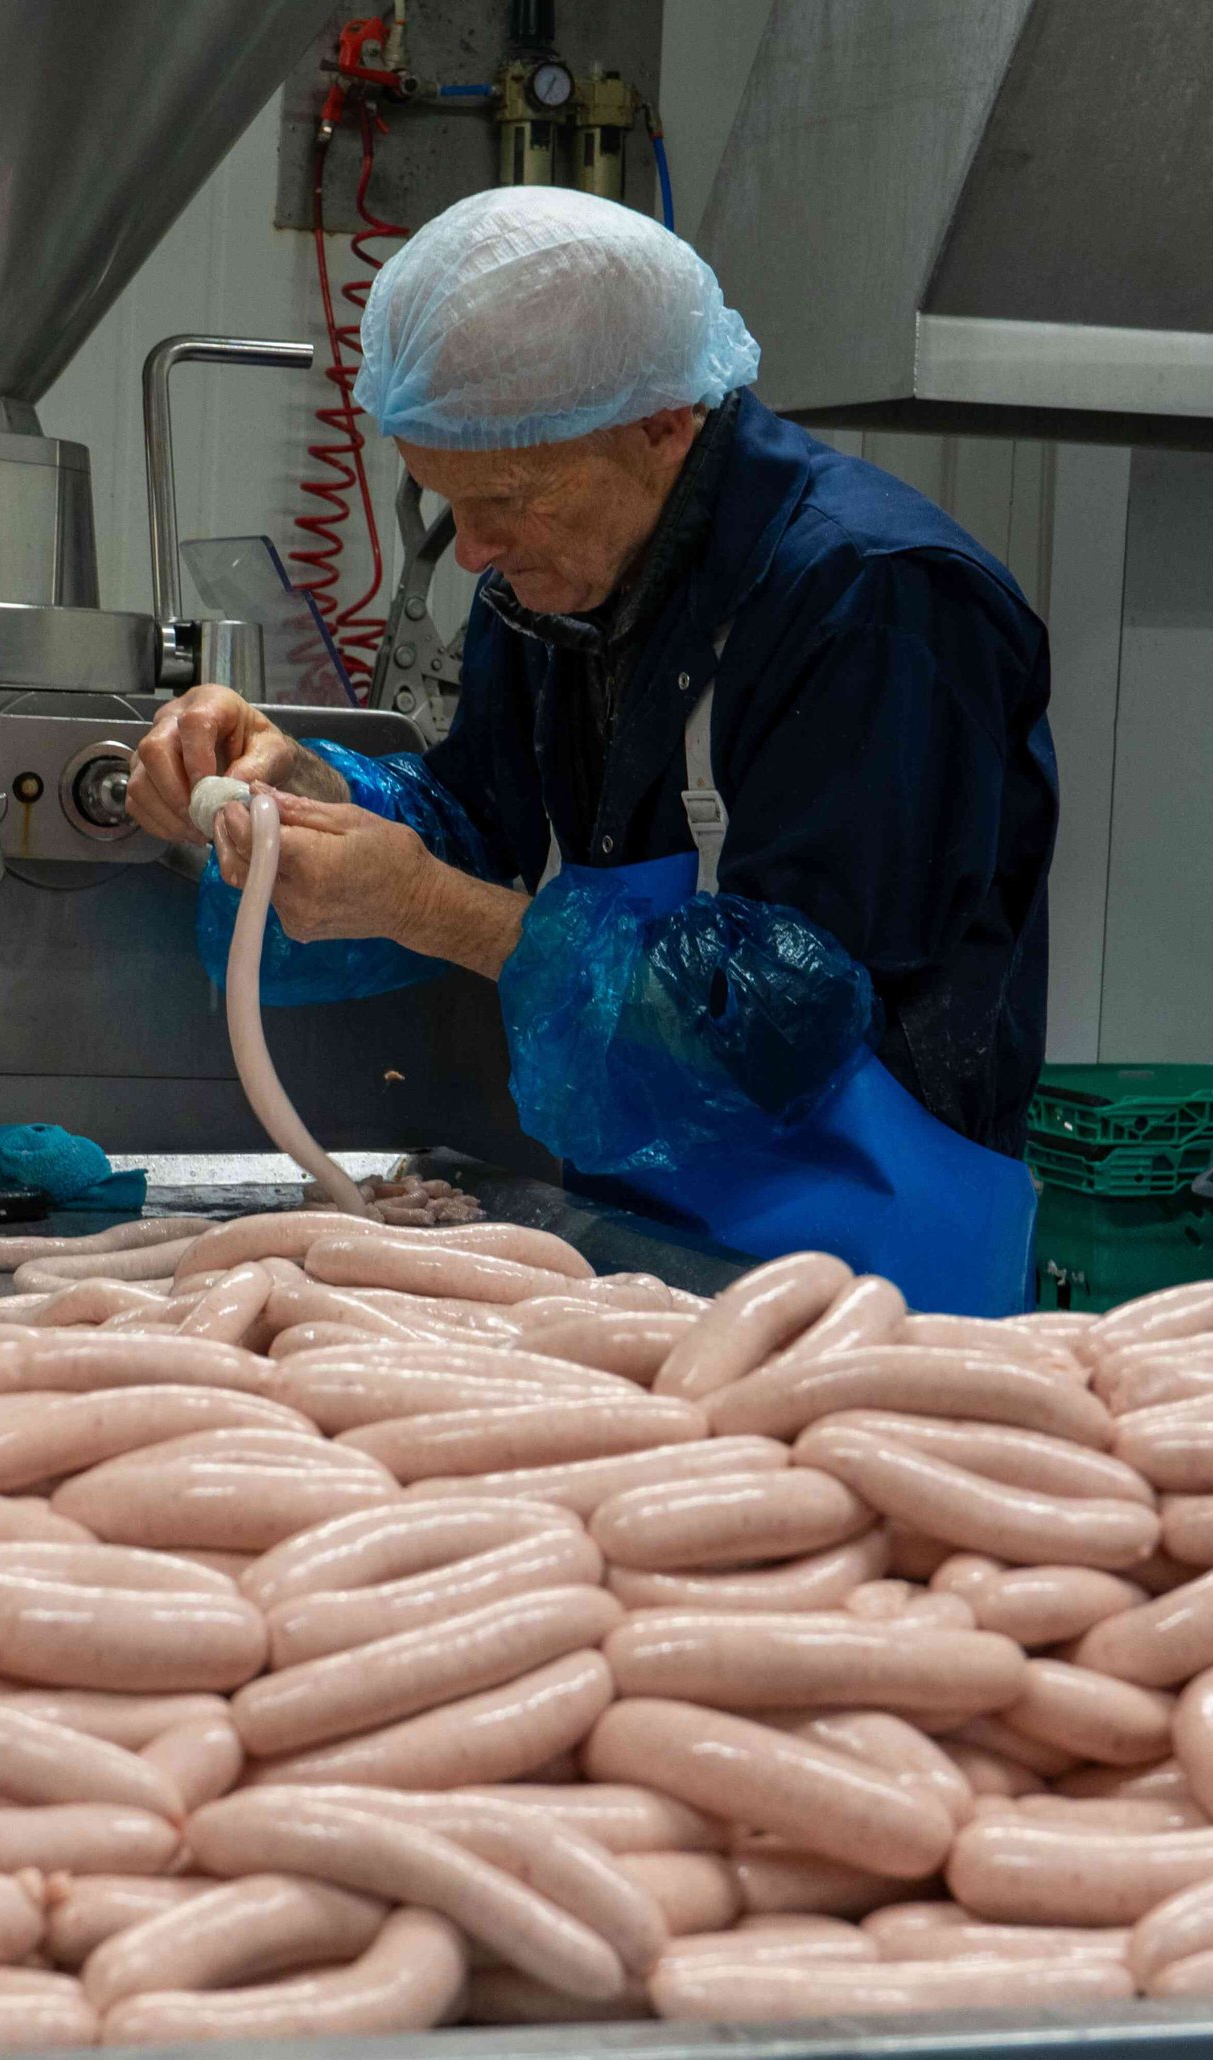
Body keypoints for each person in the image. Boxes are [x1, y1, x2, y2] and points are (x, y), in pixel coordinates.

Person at [126, 188, 1056, 1315]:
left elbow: (784, 1017)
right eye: (446, 501)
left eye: (506, 498)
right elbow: (478, 821)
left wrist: (427, 905)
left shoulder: (877, 600)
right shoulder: (563, 578)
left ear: (664, 421)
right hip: (651, 1237)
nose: (473, 550)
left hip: (882, 1272)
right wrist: (298, 794)